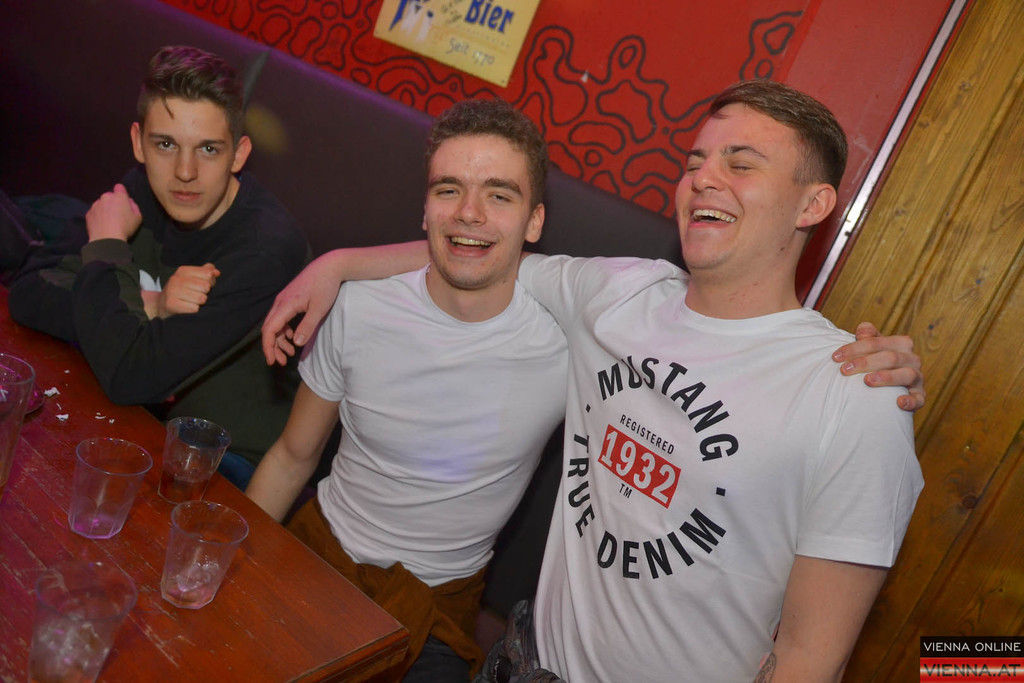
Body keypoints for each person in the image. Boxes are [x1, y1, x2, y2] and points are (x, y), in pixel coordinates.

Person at [258, 86, 925, 682]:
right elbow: (477, 254)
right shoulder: (617, 292)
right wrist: (338, 265)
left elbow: (813, 658)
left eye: (741, 164)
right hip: (522, 661)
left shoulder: (854, 391)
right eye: (696, 162)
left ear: (813, 203)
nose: (704, 179)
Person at [246, 98, 567, 681]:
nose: (468, 212)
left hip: (438, 606)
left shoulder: (566, 344)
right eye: (449, 189)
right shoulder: (358, 306)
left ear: (534, 221)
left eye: (499, 195)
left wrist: (340, 259)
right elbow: (293, 456)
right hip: (317, 552)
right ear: (425, 209)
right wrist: (229, 557)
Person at [6, 45, 309, 489]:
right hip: (136, 419)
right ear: (138, 143)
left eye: (208, 149)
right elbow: (28, 291)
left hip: (226, 463)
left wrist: (108, 245)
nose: (184, 172)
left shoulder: (264, 251)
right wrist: (153, 303)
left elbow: (130, 375)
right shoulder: (143, 188)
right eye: (165, 144)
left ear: (239, 154)